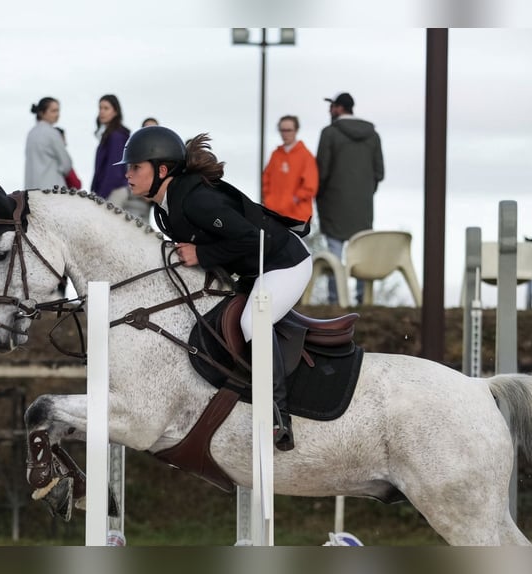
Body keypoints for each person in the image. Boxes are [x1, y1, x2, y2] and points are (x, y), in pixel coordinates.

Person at [119, 126, 313, 451]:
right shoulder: (164, 210)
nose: (128, 174)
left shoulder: (196, 201)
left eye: (136, 167)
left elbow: (254, 239)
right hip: (253, 270)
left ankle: (278, 417)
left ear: (162, 170)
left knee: (253, 322)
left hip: (284, 264)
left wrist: (202, 255)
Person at [316, 92, 384, 305]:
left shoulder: (329, 134)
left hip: (333, 204)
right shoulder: (373, 135)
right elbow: (379, 172)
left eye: (332, 107)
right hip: (363, 206)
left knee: (335, 253)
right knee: (361, 252)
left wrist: (320, 195)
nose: (329, 111)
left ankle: (336, 301)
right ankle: (363, 299)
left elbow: (321, 171)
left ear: (339, 108)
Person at [262, 115, 319, 222]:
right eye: (282, 130)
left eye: (288, 130)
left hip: (298, 217)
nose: (285, 134)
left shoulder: (306, 156)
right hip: (274, 216)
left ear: (296, 130)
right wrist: (269, 200)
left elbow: (310, 186)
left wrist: (293, 200)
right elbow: (266, 179)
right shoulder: (275, 155)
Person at [24, 97, 73, 190]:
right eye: (53, 111)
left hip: (32, 190)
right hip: (52, 190)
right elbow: (66, 164)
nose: (57, 114)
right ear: (42, 113)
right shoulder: (52, 133)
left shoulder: (31, 133)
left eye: (58, 110)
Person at [91, 95, 131, 204]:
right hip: (109, 190)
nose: (102, 112)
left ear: (115, 112)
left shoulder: (116, 136)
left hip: (113, 190)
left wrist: (100, 196)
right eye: (100, 108)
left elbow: (115, 170)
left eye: (106, 108)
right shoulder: (109, 135)